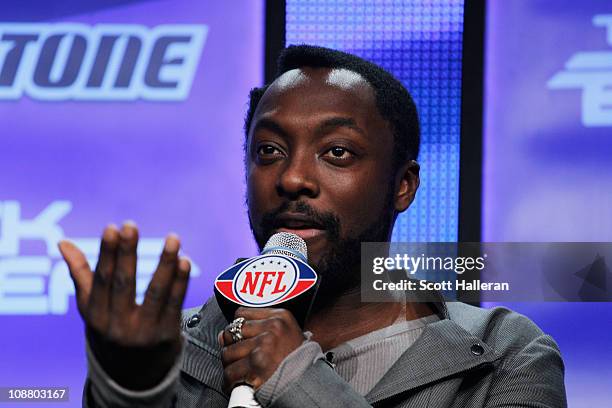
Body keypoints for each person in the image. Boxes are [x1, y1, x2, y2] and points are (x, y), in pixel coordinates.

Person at [58, 45, 567, 407]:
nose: (293, 178)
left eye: (336, 152)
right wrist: (129, 385)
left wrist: (298, 380)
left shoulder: (506, 356)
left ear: (403, 186)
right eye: (269, 152)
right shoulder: (171, 345)